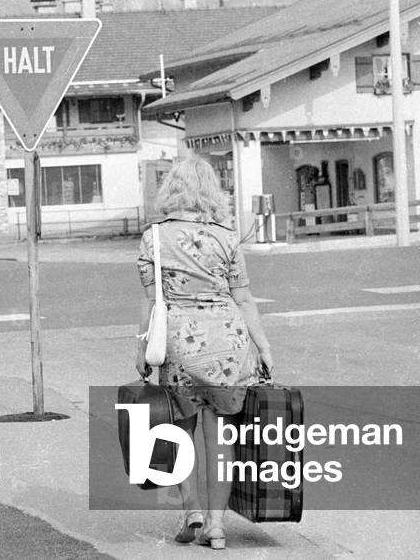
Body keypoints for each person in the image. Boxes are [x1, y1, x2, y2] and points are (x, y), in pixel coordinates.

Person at [135, 156, 274, 551]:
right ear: (213, 191)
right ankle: (216, 526)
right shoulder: (227, 236)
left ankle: (191, 511)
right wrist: (262, 345)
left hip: (179, 345)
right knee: (220, 439)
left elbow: (149, 301)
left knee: (182, 431)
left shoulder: (154, 238)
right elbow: (244, 298)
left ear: (171, 190)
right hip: (229, 345)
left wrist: (142, 347)